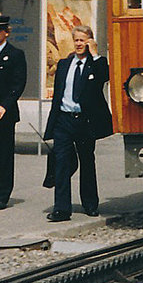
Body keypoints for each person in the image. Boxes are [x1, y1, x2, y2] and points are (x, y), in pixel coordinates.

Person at [45, 25, 112, 222]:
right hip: (64, 120)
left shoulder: (96, 64)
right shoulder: (65, 64)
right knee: (61, 164)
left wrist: (95, 54)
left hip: (85, 121)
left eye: (83, 40)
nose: (79, 44)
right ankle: (61, 209)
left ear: (90, 41)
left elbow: (104, 77)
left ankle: (90, 204)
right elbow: (59, 93)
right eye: (76, 40)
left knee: (87, 162)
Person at [0, 17, 27, 210]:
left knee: (4, 155)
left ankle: (2, 195)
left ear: (6, 32)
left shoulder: (15, 54)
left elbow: (18, 84)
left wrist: (4, 106)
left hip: (4, 112)